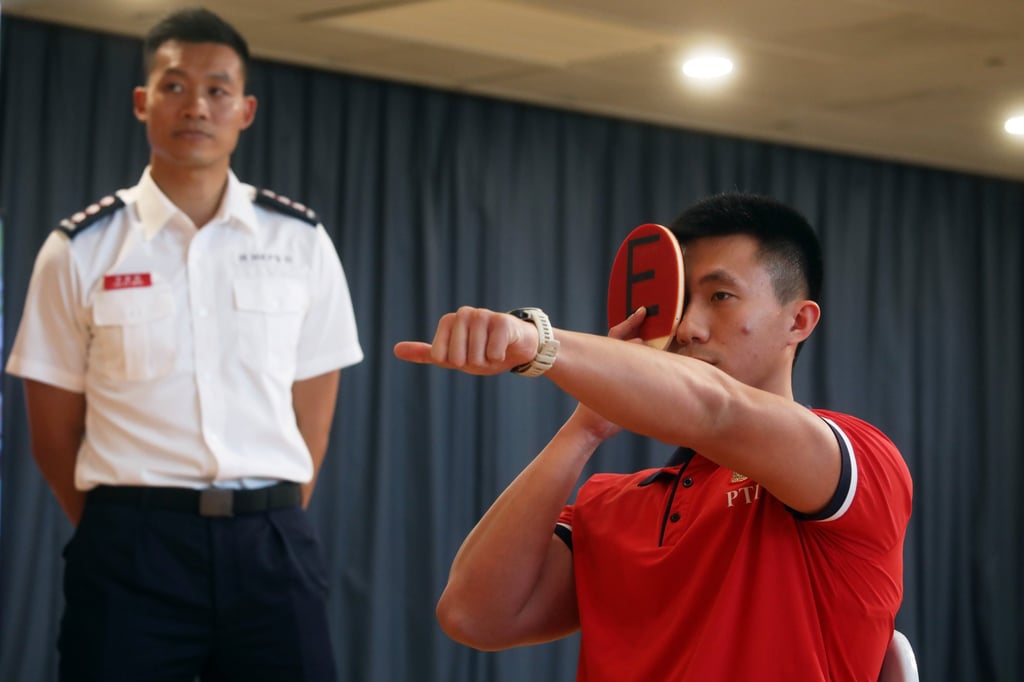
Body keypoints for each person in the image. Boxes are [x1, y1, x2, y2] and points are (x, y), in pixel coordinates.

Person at [394, 193, 912, 681]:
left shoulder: (856, 459)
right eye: (681, 301)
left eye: (721, 296)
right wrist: (587, 425)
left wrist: (539, 343)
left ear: (798, 320)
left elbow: (717, 409)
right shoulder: (611, 505)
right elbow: (473, 615)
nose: (688, 327)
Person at [5, 7, 362, 681]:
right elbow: (52, 438)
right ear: (143, 102)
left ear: (245, 111)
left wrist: (262, 519)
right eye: (174, 86)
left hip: (271, 545)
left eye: (217, 89)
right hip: (130, 548)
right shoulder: (78, 249)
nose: (196, 105)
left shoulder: (300, 241)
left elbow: (312, 417)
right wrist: (131, 526)